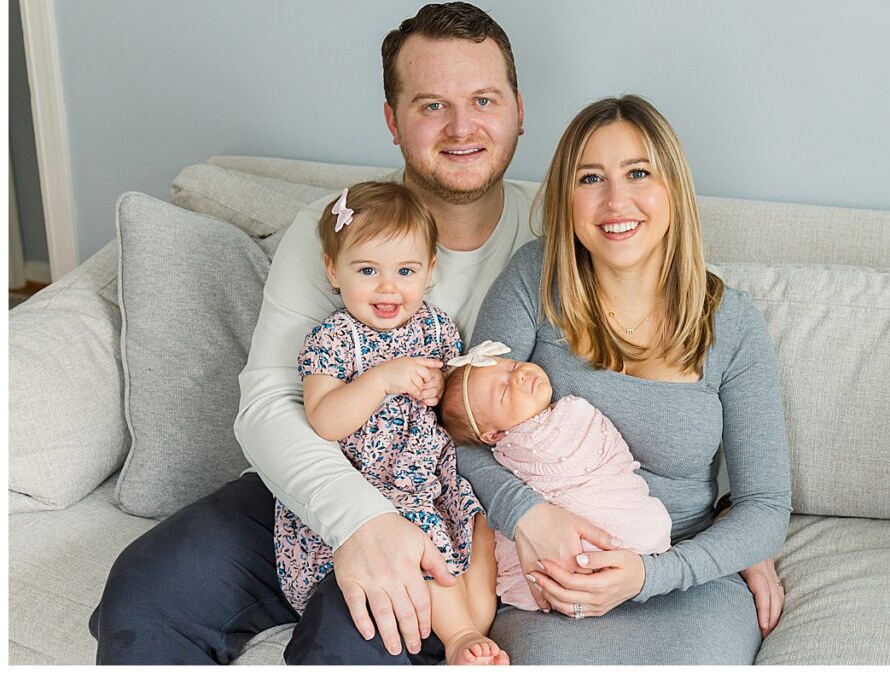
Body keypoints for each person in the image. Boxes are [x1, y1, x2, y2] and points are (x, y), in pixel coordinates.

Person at [89, 3, 783, 664]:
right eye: (431, 105)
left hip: (445, 505)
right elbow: (269, 404)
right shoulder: (334, 231)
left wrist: (726, 524)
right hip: (313, 486)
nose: (461, 127)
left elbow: (672, 304)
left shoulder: (558, 235)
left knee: (356, 635)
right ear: (393, 121)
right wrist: (361, 521)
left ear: (518, 114)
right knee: (146, 587)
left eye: (483, 100)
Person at [456, 94, 793, 664]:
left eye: (639, 172)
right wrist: (528, 515)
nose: (616, 201)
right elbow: (461, 429)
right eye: (591, 178)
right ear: (567, 197)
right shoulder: (533, 279)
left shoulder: (731, 323)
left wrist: (650, 575)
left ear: (672, 190)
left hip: (683, 579)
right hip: (550, 581)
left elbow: (765, 505)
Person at [274, 180, 508, 664]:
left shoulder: (437, 327)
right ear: (332, 271)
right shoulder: (332, 339)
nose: (388, 287)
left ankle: (478, 618)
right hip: (375, 490)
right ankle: (460, 637)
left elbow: (445, 404)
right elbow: (324, 420)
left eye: (406, 270)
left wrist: (438, 389)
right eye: (367, 269)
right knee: (419, 533)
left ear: (429, 271)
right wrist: (381, 381)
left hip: (433, 478)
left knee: (481, 524)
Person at [437, 341, 672, 612]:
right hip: (553, 535)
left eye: (512, 365)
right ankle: (584, 565)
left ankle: (594, 565)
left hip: (616, 506)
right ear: (496, 436)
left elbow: (611, 456)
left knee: (650, 525)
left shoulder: (571, 413)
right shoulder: (519, 447)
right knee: (648, 528)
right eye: (503, 389)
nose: (519, 375)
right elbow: (460, 454)